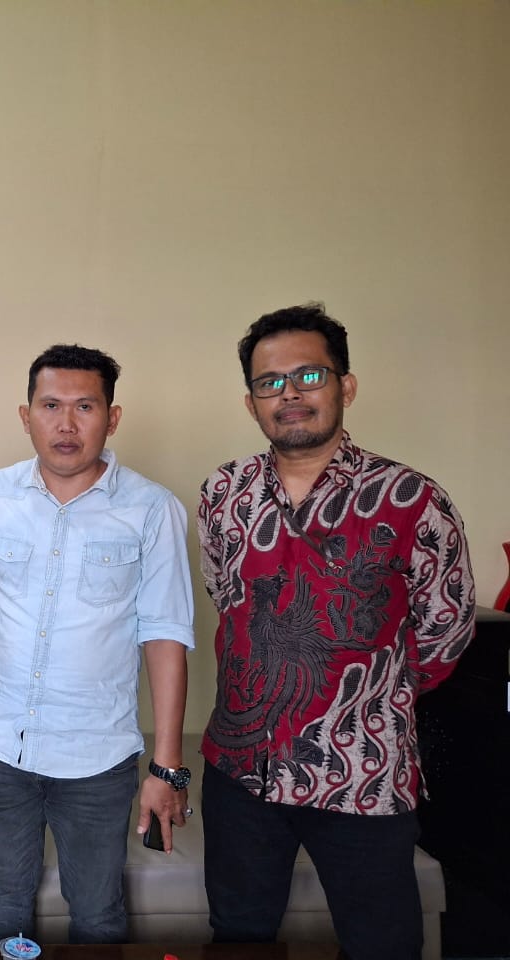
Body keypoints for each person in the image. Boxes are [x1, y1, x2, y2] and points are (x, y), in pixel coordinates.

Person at [198, 303, 475, 960]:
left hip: (361, 774)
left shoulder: (411, 499)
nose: (289, 394)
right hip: (240, 773)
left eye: (309, 376)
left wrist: (362, 695)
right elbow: (226, 598)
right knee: (238, 940)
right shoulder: (223, 493)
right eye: (270, 382)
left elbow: (445, 632)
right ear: (251, 402)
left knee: (383, 945)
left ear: (345, 386)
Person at [0, 344, 195, 944]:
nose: (66, 424)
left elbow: (166, 636)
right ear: (26, 416)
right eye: (50, 406)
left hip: (96, 757)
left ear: (112, 418)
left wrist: (167, 767)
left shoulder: (152, 509)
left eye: (84, 407)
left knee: (97, 912)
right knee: (1, 898)